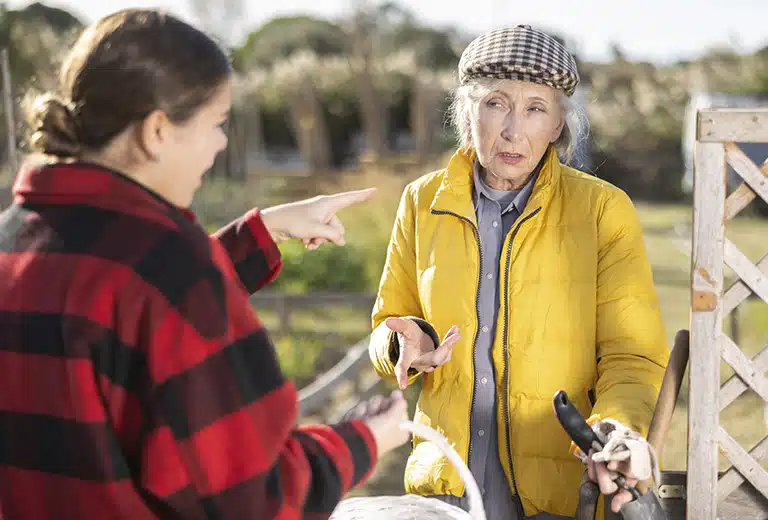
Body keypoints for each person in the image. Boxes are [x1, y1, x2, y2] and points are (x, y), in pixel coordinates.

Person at [0, 9, 410, 520]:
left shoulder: (15, 237)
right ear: (156, 131)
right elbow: (253, 499)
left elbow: (113, 302)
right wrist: (363, 441)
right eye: (216, 124)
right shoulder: (171, 270)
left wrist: (267, 229)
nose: (220, 144)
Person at [368, 25, 670, 520]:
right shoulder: (422, 201)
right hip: (445, 487)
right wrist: (404, 346)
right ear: (468, 112)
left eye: (535, 108)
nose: (513, 130)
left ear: (557, 125)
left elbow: (633, 354)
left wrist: (614, 429)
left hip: (559, 493)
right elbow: (389, 324)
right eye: (495, 104)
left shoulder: (602, 211)